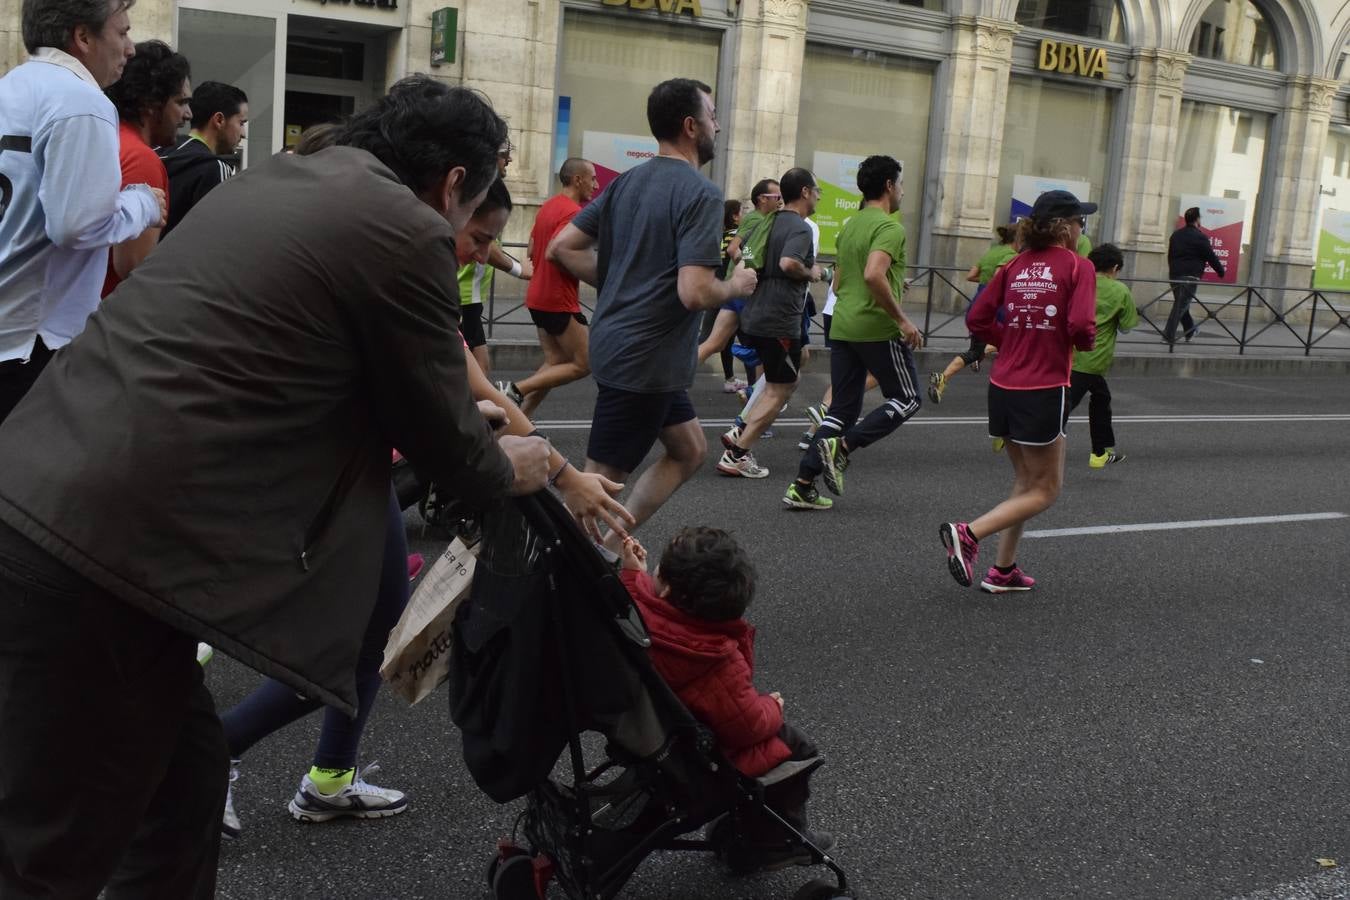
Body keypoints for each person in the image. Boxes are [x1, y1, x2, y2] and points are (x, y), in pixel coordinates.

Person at [0, 76, 551, 897]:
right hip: (103, 553)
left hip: (54, 496)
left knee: (183, 791)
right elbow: (451, 446)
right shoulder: (404, 229)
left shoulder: (282, 178)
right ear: (452, 185)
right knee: (54, 852)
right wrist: (521, 464)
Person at [220, 176, 633, 839]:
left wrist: (563, 473)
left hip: (343, 470)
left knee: (373, 628)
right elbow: (468, 407)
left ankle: (329, 774)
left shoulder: (405, 265)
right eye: (479, 236)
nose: (482, 253)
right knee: (339, 637)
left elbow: (483, 399)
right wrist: (564, 475)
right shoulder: (405, 273)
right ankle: (214, 752)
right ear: (448, 200)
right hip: (315, 474)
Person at [548, 77, 757, 545]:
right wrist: (736, 284)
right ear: (690, 125)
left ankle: (608, 543)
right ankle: (561, 570)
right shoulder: (701, 194)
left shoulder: (628, 182)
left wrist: (624, 275)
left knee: (689, 450)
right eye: (712, 116)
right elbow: (695, 292)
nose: (718, 127)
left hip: (629, 348)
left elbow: (563, 248)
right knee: (597, 482)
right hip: (645, 358)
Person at [618, 527, 830, 870]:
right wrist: (772, 708)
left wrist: (632, 573)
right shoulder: (713, 658)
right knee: (794, 747)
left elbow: (638, 594)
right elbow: (747, 725)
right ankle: (774, 841)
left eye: (657, 570)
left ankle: (751, 827)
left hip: (657, 730)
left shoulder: (643, 617)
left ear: (667, 589)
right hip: (705, 751)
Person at [0, 0, 165, 424]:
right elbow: (77, 226)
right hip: (30, 341)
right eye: (123, 33)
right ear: (83, 37)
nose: (130, 48)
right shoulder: (82, 102)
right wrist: (143, 203)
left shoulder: (11, 87)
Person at [940, 189, 1097, 594]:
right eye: (1081, 222)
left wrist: (1008, 339)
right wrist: (1084, 344)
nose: (1083, 229)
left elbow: (976, 318)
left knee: (1025, 483)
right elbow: (1081, 326)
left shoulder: (1014, 265)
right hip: (1044, 386)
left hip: (1002, 385)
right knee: (1046, 489)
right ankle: (969, 533)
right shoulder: (1079, 267)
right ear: (1066, 227)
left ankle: (1003, 571)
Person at [783, 155, 924, 511]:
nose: (903, 191)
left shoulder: (850, 224)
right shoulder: (890, 227)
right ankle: (843, 447)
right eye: (902, 183)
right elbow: (874, 275)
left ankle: (802, 484)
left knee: (842, 408)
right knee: (907, 398)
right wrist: (904, 320)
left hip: (843, 323)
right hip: (875, 326)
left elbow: (843, 278)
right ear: (890, 186)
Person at [718, 167, 823, 479]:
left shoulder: (769, 221)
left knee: (785, 380)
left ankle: (741, 432)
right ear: (804, 192)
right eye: (816, 191)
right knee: (782, 387)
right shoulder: (800, 228)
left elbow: (745, 257)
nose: (818, 196)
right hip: (779, 319)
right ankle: (738, 452)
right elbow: (788, 263)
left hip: (757, 312)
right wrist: (810, 272)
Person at [497, 157, 598, 416]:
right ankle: (515, 389)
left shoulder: (548, 207)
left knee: (555, 362)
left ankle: (519, 423)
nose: (596, 185)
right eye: (593, 178)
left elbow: (531, 250)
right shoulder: (573, 213)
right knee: (584, 363)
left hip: (537, 297)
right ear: (578, 179)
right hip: (558, 299)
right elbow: (559, 253)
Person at [101, 38, 191, 297]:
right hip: (106, 319)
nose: (188, 114)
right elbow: (134, 268)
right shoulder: (142, 159)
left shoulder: (107, 140)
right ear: (151, 104)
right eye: (181, 102)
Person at [456, 138, 531, 374]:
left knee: (477, 372)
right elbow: (490, 249)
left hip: (467, 295)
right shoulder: (479, 191)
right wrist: (519, 270)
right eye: (503, 153)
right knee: (477, 372)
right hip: (463, 294)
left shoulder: (489, 191)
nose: (508, 159)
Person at [1065, 242, 1137, 468]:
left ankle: (1101, 451)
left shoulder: (1077, 282)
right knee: (1063, 407)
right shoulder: (1120, 290)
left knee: (1100, 399)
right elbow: (1127, 326)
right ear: (1115, 267)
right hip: (1093, 357)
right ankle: (1022, 437)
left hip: (1067, 352)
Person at [928, 223, 1017, 404]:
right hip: (996, 308)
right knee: (1011, 343)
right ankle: (943, 377)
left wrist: (986, 282)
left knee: (1000, 344)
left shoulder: (991, 252)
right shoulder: (1011, 256)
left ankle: (973, 363)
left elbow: (971, 275)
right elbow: (1000, 276)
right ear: (1018, 239)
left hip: (979, 303)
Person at [160, 79, 248, 237]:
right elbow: (216, 236)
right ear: (219, 120)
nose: (243, 134)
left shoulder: (160, 150)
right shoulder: (215, 168)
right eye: (241, 123)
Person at [700, 199, 749, 394]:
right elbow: (747, 260)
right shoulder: (739, 238)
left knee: (716, 338)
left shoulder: (719, 236)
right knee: (749, 341)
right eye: (743, 211)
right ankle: (756, 385)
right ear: (735, 216)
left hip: (714, 290)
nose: (745, 215)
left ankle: (730, 379)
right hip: (730, 293)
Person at [1164, 206, 1224, 344]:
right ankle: (1167, 336)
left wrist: (1173, 271)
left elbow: (1170, 256)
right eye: (1200, 217)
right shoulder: (1200, 237)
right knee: (1180, 306)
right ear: (1197, 219)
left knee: (1182, 304)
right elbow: (1211, 256)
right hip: (1190, 276)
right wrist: (1220, 271)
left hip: (1175, 275)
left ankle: (1190, 331)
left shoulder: (1176, 235)